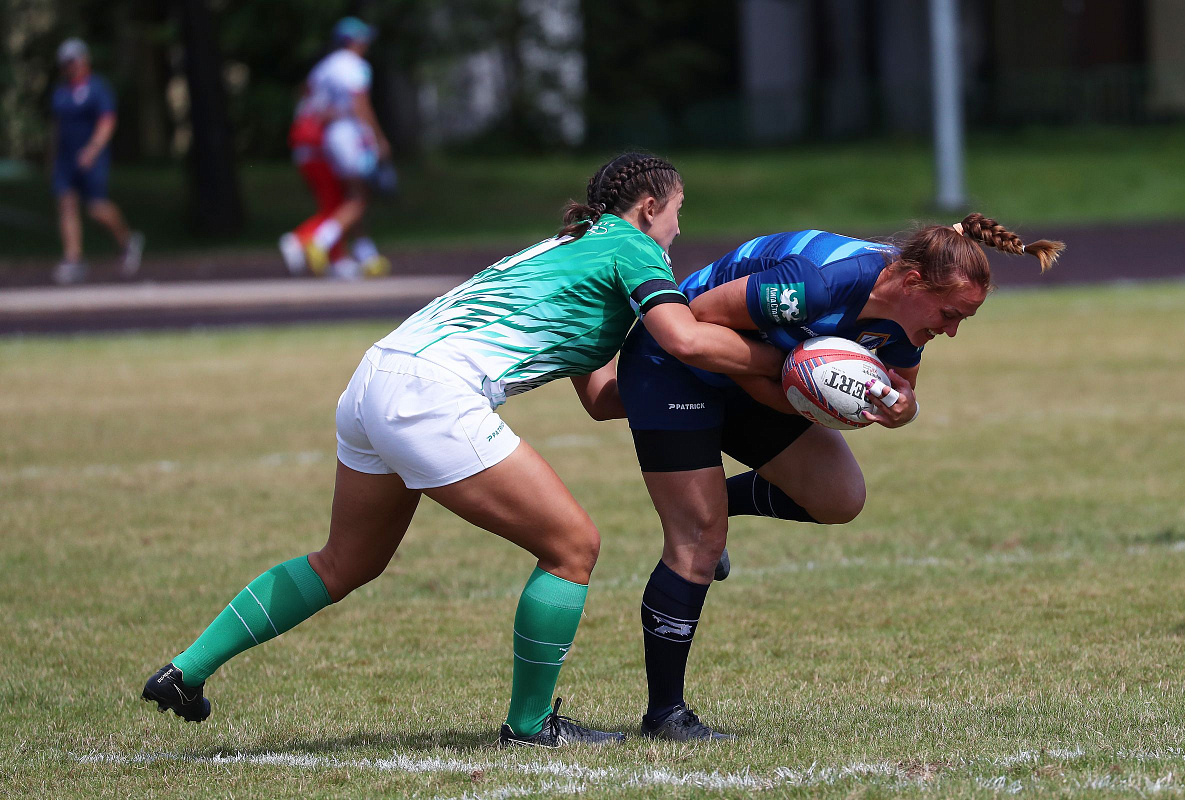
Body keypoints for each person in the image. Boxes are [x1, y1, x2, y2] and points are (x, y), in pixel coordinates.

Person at [143, 153, 785, 747]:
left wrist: (689, 391)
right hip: (431, 393)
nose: (679, 229)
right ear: (649, 208)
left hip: (376, 377)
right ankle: (529, 726)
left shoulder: (573, 247)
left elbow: (600, 397)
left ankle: (184, 672)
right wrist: (784, 367)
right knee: (573, 547)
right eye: (677, 212)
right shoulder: (633, 247)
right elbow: (685, 340)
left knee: (344, 562)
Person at [617, 215, 1064, 741]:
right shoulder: (817, 284)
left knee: (839, 497)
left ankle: (715, 505)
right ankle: (665, 715)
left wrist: (903, 409)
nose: (951, 330)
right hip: (673, 364)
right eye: (949, 314)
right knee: (697, 541)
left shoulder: (907, 317)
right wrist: (790, 366)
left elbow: (899, 384)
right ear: (912, 281)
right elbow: (693, 323)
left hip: (751, 378)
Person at [279, 17, 391, 280]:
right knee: (359, 197)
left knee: (350, 195)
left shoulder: (324, 67)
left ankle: (366, 255)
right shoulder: (355, 66)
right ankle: (318, 240)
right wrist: (378, 137)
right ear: (355, 41)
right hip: (349, 134)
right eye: (364, 39)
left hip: (327, 136)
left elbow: (307, 98)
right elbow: (360, 103)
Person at [50, 38, 143, 285]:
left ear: (84, 60)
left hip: (93, 157)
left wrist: (92, 150)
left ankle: (127, 240)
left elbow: (107, 122)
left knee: (96, 209)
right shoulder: (61, 93)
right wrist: (53, 158)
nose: (70, 66)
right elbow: (57, 128)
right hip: (65, 159)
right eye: (66, 63)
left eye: (73, 61)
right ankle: (73, 259)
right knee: (66, 204)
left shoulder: (97, 88)